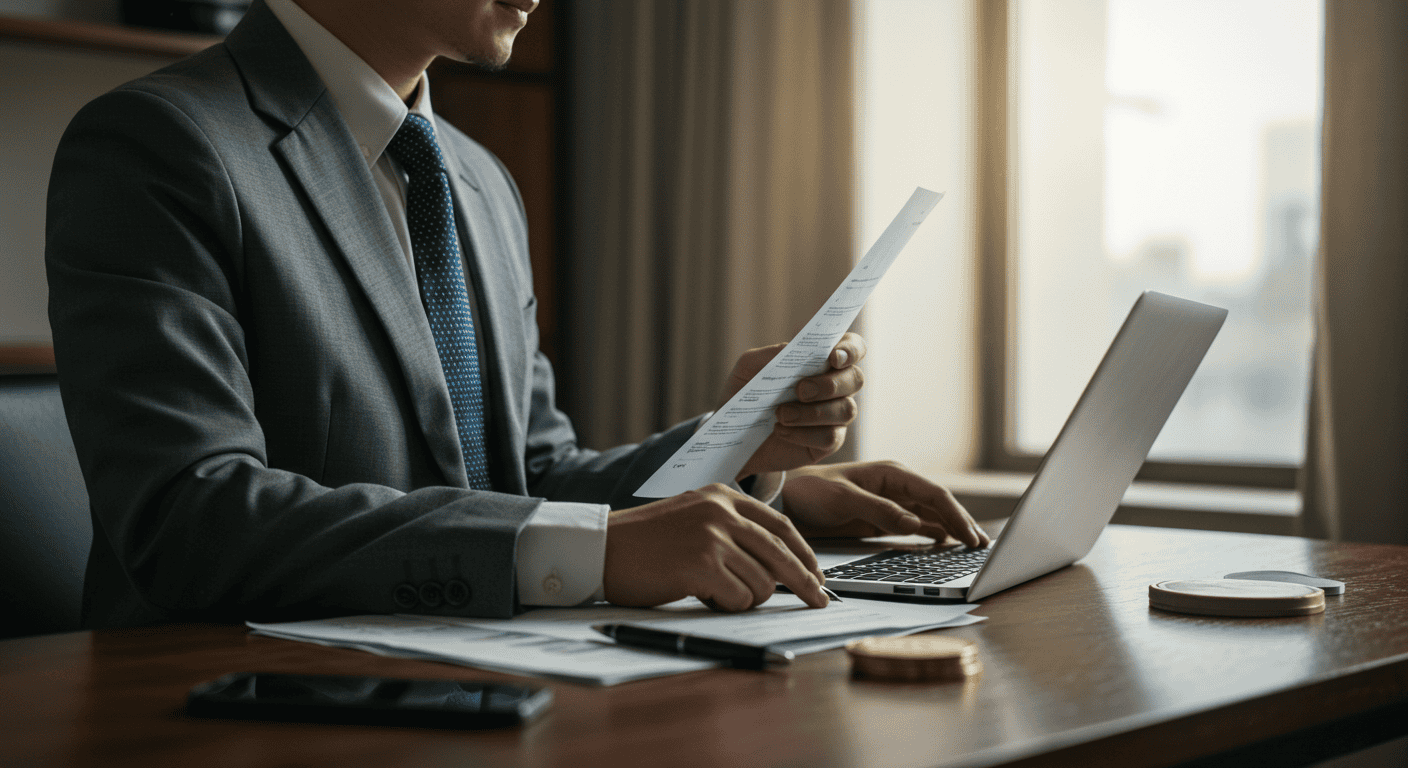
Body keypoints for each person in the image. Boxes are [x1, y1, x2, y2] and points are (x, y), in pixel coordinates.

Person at [45, 0, 989, 629]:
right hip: (231, 711)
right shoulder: (162, 146)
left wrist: (736, 452)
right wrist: (602, 552)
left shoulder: (479, 180)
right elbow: (190, 520)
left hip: (475, 694)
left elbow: (530, 473)